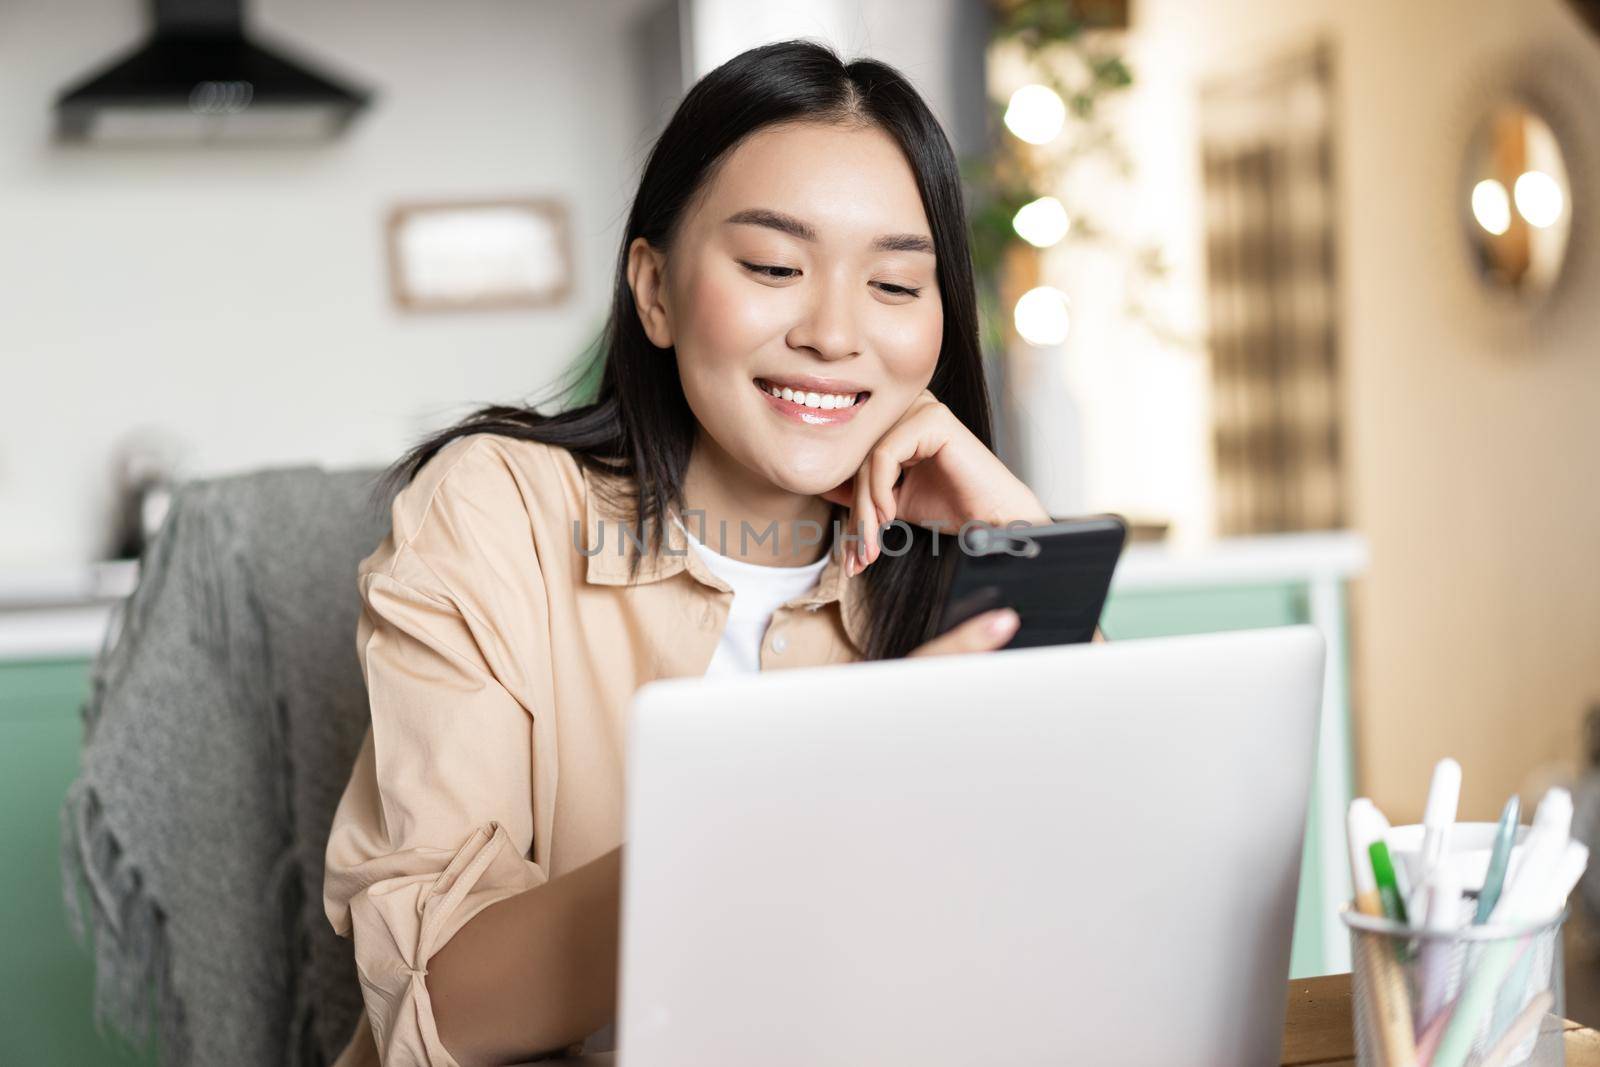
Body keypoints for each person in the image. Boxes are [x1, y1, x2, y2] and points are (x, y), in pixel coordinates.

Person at [321, 39, 1053, 1067]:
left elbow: (1081, 916)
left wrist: (1021, 550)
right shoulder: (499, 508)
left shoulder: (950, 558)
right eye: (772, 268)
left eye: (894, 284)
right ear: (655, 290)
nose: (835, 332)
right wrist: (804, 786)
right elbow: (444, 1001)